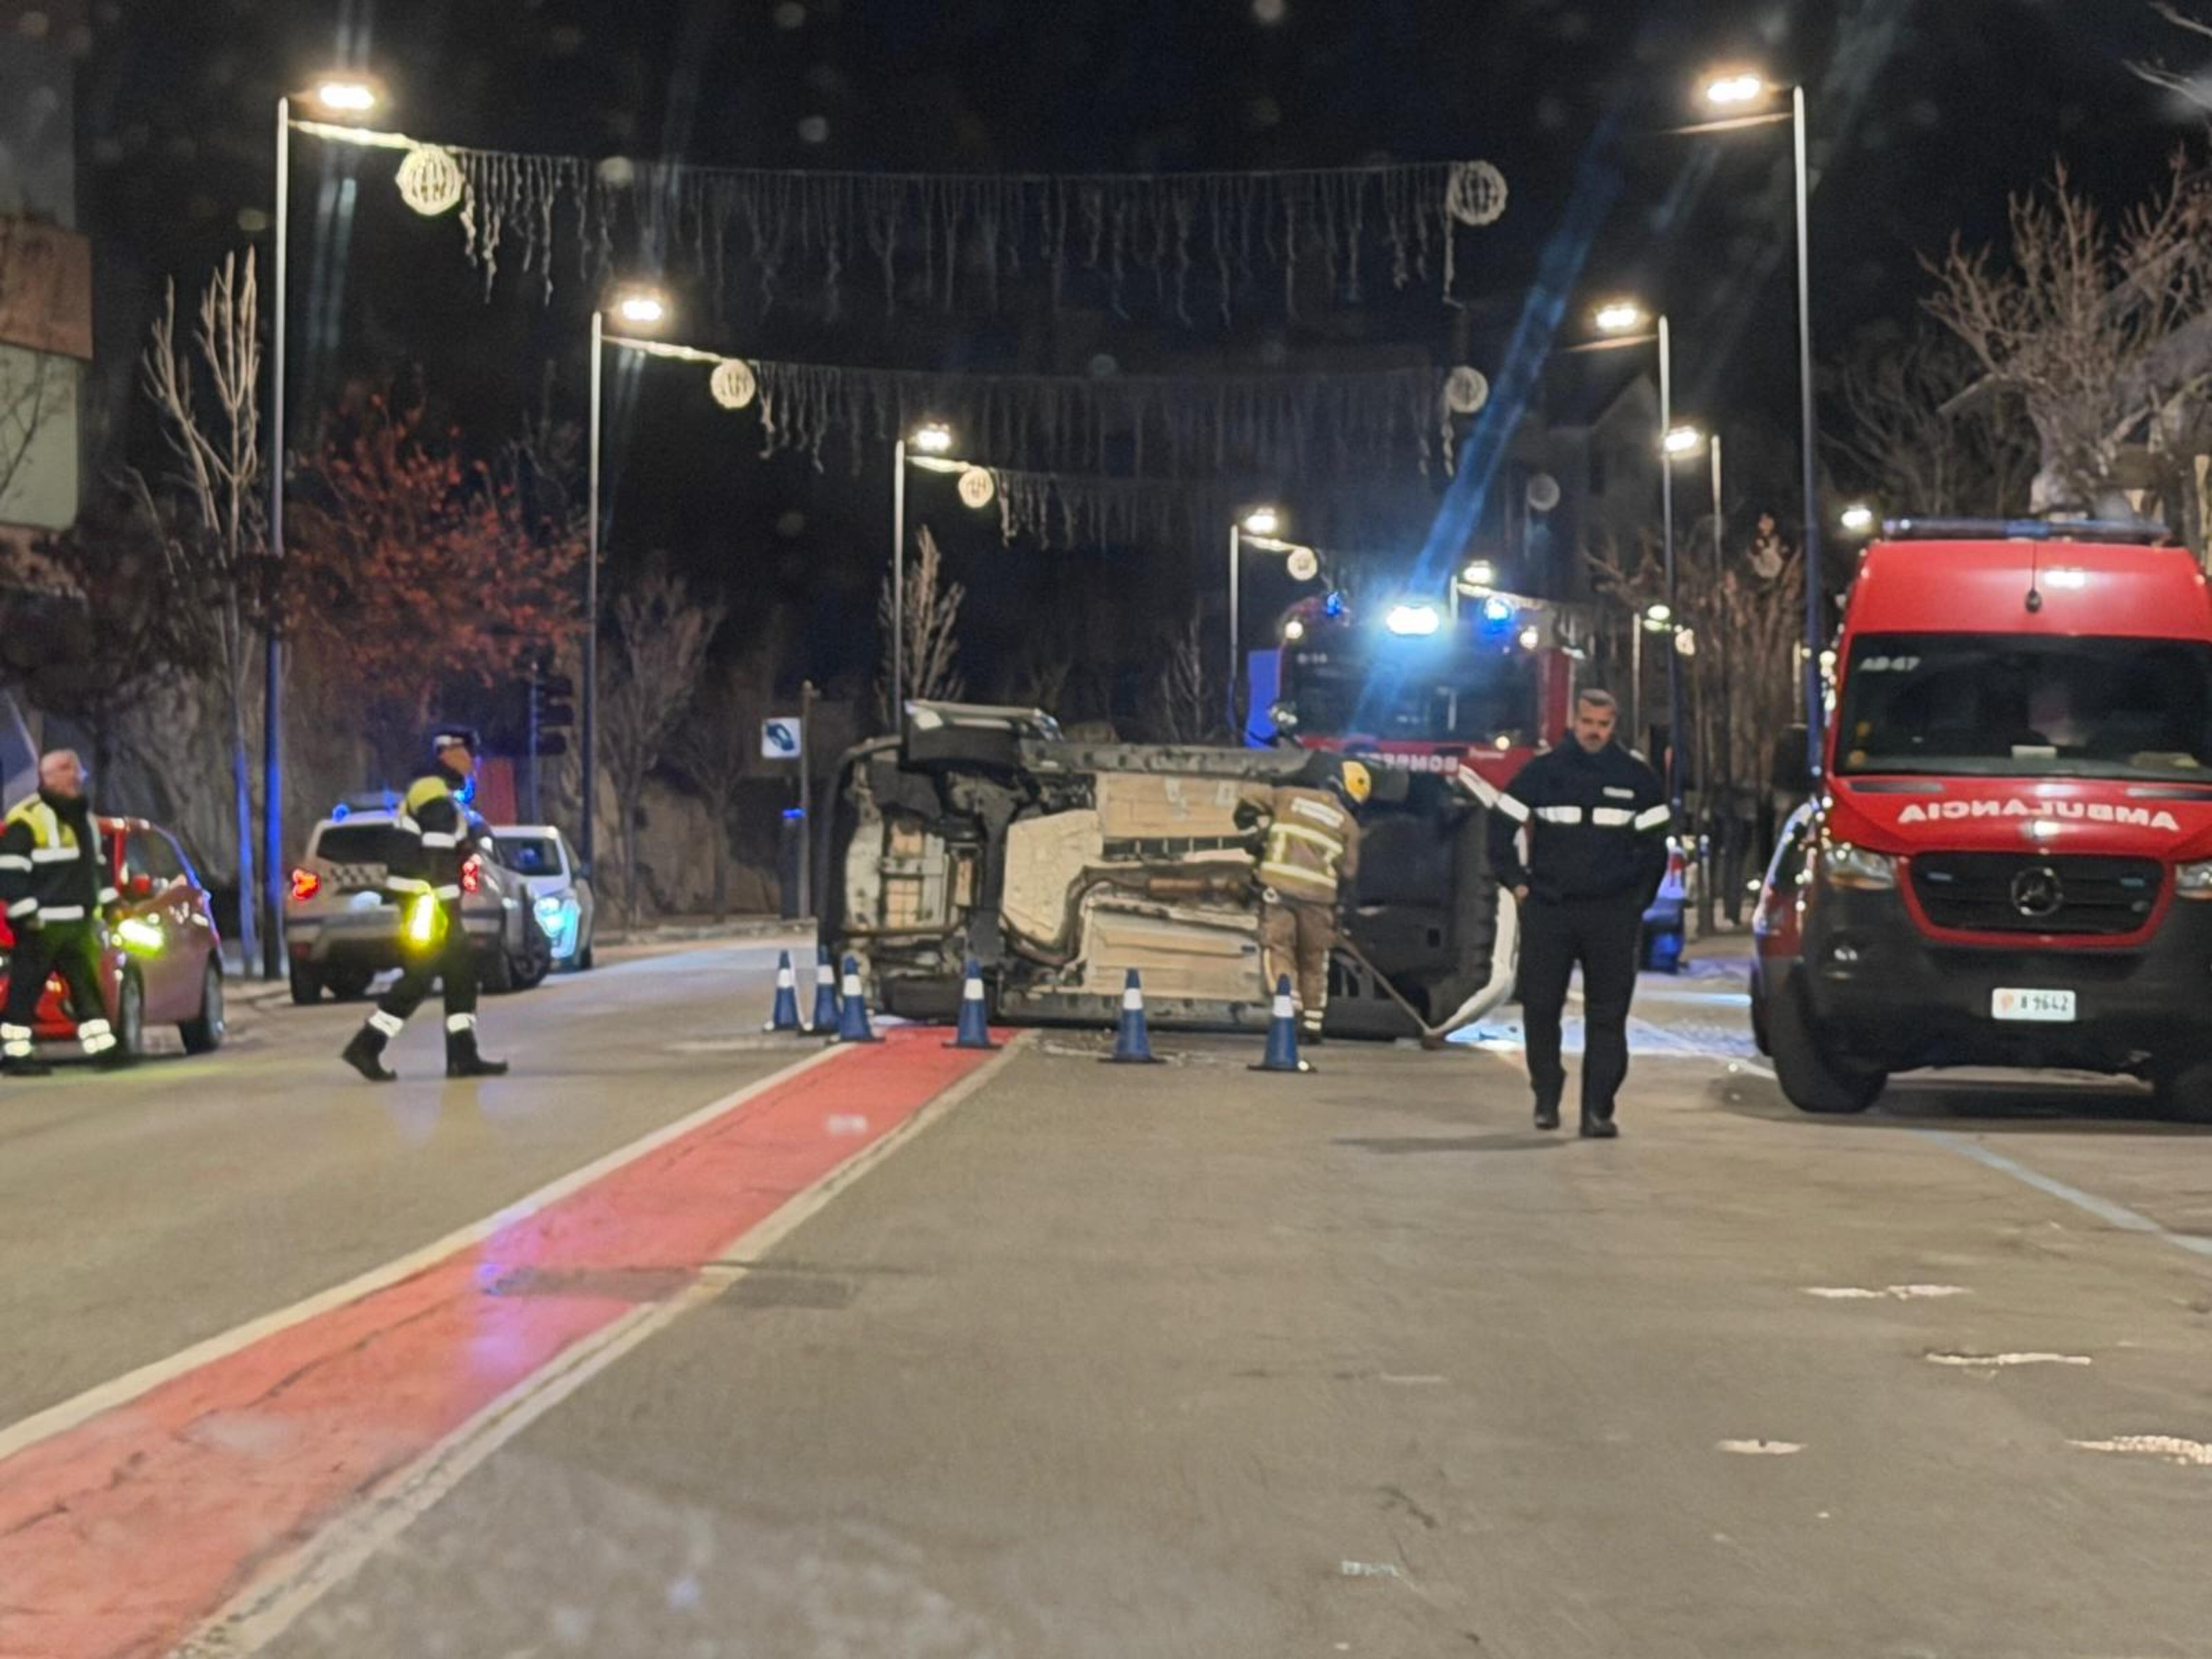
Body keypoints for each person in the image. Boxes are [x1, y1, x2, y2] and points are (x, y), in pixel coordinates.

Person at [1488, 689, 1669, 1137]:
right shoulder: (1544, 773)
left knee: (1607, 1017)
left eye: (1603, 724)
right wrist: (1517, 883)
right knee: (1541, 1009)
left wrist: (1637, 903)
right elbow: (1499, 826)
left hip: (1611, 915)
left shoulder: (1637, 779)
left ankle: (1597, 1112)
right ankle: (1547, 1097)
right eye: (1588, 721)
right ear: (1574, 720)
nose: (1594, 731)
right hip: (1550, 911)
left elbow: (1655, 849)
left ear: (1615, 725)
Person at [340, 728, 508, 1082]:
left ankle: (463, 1054)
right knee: (421, 974)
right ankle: (367, 1045)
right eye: (468, 753)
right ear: (448, 753)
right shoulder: (432, 792)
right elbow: (436, 856)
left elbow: (448, 846)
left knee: (461, 969)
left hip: (430, 898)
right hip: (427, 900)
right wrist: (448, 907)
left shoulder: (440, 792)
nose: (473, 762)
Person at [0, 750, 124, 1072]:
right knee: (25, 992)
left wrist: (111, 904)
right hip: (41, 926)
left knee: (86, 990)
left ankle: (104, 1051)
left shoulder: (85, 819)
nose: (77, 779)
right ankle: (15, 1055)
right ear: (50, 776)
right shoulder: (28, 819)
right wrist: (29, 915)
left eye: (77, 773)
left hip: (77, 924)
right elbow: (9, 872)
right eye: (70, 772)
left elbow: (97, 868)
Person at [1240, 757, 1370, 1043]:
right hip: (1319, 900)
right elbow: (1349, 871)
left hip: (1280, 891)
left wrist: (1250, 833)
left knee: (1279, 949)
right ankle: (1312, 1025)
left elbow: (1248, 794)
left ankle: (1289, 1009)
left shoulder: (1288, 797)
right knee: (1314, 960)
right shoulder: (1349, 825)